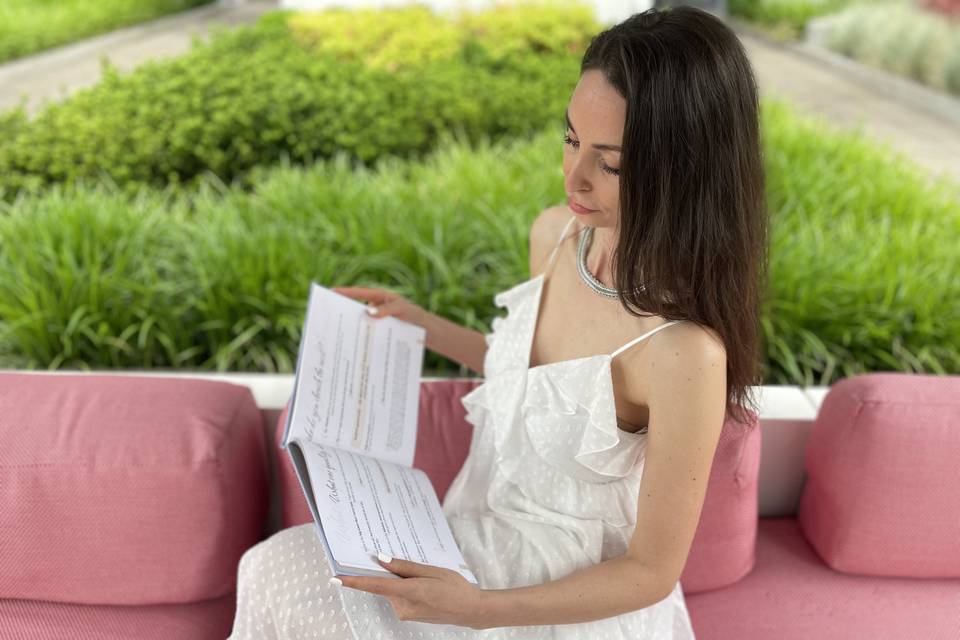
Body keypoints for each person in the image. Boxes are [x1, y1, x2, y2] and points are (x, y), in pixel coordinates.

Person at [228, 5, 767, 639]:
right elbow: (540, 383)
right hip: (471, 534)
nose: (574, 176)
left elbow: (649, 572)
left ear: (688, 167)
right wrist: (418, 324)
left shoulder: (684, 353)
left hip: (557, 600)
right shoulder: (557, 235)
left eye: (611, 163)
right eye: (570, 138)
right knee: (268, 567)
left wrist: (477, 612)